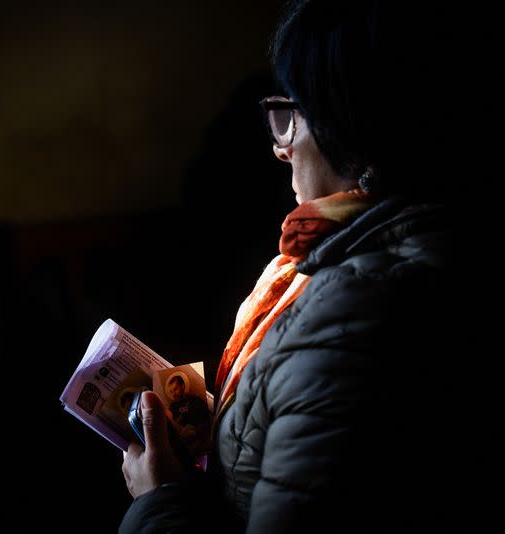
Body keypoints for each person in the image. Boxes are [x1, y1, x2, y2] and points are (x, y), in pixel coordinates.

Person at [120, 1, 454, 532]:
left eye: (291, 118)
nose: (282, 149)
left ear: (355, 130)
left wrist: (160, 502)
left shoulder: (352, 311)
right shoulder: (347, 264)